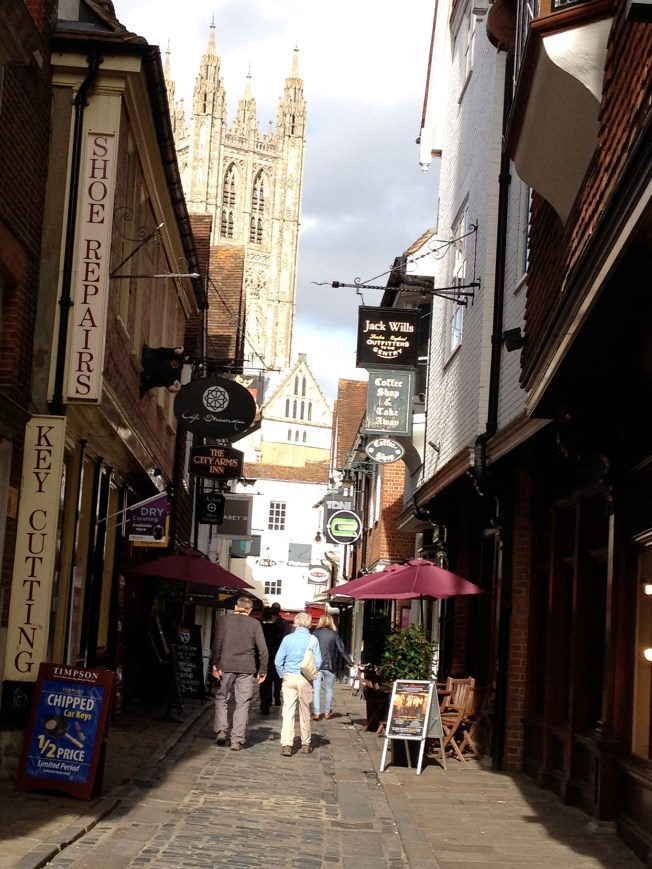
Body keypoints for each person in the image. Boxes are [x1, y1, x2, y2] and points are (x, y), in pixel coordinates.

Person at [211, 596, 268, 751]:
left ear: (236, 607)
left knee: (222, 698)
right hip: (247, 668)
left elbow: (217, 644)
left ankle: (222, 731)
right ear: (249, 610)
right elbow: (263, 650)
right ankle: (237, 739)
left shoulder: (224, 620)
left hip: (226, 665)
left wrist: (215, 665)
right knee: (242, 703)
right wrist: (262, 670)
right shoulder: (255, 623)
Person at [274, 611, 322, 756]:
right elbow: (318, 662)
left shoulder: (287, 639)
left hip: (289, 677)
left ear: (295, 623)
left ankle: (287, 745)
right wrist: (312, 675)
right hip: (305, 678)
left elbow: (277, 661)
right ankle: (306, 743)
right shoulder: (313, 640)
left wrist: (283, 674)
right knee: (304, 711)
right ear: (309, 624)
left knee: (288, 712)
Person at [312, 614, 355, 720]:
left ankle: (317, 712)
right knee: (329, 690)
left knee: (316, 689)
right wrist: (351, 663)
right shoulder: (334, 635)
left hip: (317, 665)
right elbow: (342, 650)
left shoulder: (315, 633)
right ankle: (327, 712)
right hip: (330, 665)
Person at [259, 606, 283, 714]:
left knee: (264, 683)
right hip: (275, 658)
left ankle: (265, 704)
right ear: (273, 616)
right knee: (277, 681)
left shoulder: (261, 628)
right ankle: (276, 696)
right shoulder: (278, 629)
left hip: (263, 658)